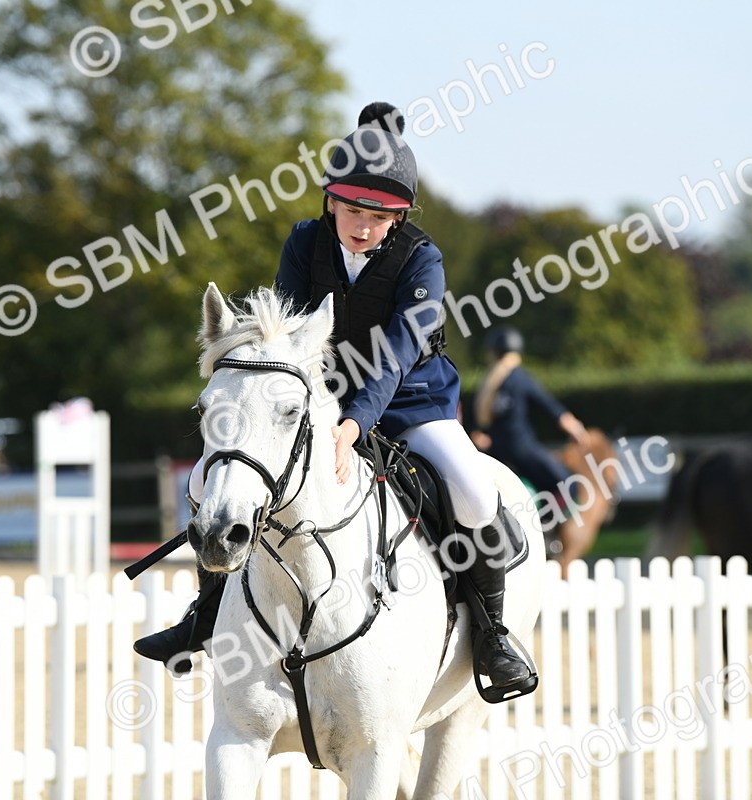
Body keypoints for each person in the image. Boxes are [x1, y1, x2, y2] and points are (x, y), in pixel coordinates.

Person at [136, 102, 537, 700]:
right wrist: (310, 406)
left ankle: (492, 633)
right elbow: (289, 334)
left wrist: (355, 423)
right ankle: (207, 612)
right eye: (353, 209)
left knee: (476, 493)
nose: (364, 225)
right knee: (208, 483)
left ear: (399, 216)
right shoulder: (304, 243)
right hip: (319, 399)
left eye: (380, 215)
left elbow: (399, 350)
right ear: (331, 201)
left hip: (412, 402)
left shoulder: (423, 259)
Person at [469, 327, 588, 543]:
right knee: (568, 484)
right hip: (520, 447)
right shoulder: (520, 378)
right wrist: (576, 429)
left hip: (495, 449)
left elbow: (482, 423)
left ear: (494, 352)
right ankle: (545, 535)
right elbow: (549, 406)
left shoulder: (490, 382)